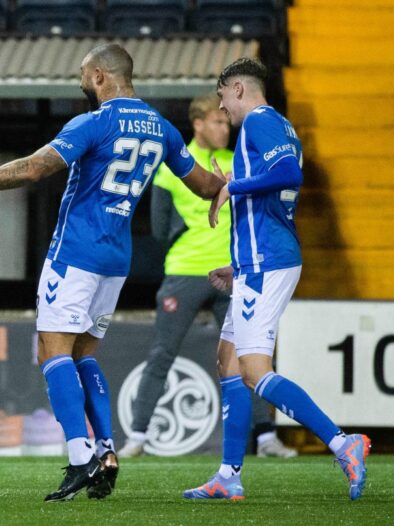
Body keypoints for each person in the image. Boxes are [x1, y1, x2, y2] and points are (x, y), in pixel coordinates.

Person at [0, 44, 226, 502]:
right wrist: (225, 184)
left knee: (52, 350)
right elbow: (203, 186)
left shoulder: (93, 123)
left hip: (76, 252)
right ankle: (106, 452)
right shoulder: (161, 127)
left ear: (100, 75)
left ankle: (80, 459)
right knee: (84, 355)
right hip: (116, 259)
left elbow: (35, 168)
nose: (80, 83)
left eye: (83, 75)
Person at [183, 58, 370, 501]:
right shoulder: (278, 127)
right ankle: (229, 476)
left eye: (223, 95)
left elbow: (290, 176)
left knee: (254, 370)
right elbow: (272, 203)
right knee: (229, 361)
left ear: (239, 89)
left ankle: (344, 443)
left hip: (268, 262)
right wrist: (239, 264)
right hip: (259, 260)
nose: (222, 106)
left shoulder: (260, 124)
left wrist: (233, 187)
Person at [119, 94, 296, 459]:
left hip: (235, 272)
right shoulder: (174, 165)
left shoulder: (239, 161)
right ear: (197, 124)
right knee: (162, 353)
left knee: (251, 354)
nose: (224, 127)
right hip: (185, 271)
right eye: (216, 122)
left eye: (224, 121)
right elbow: (159, 227)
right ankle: (137, 436)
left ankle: (265, 438)